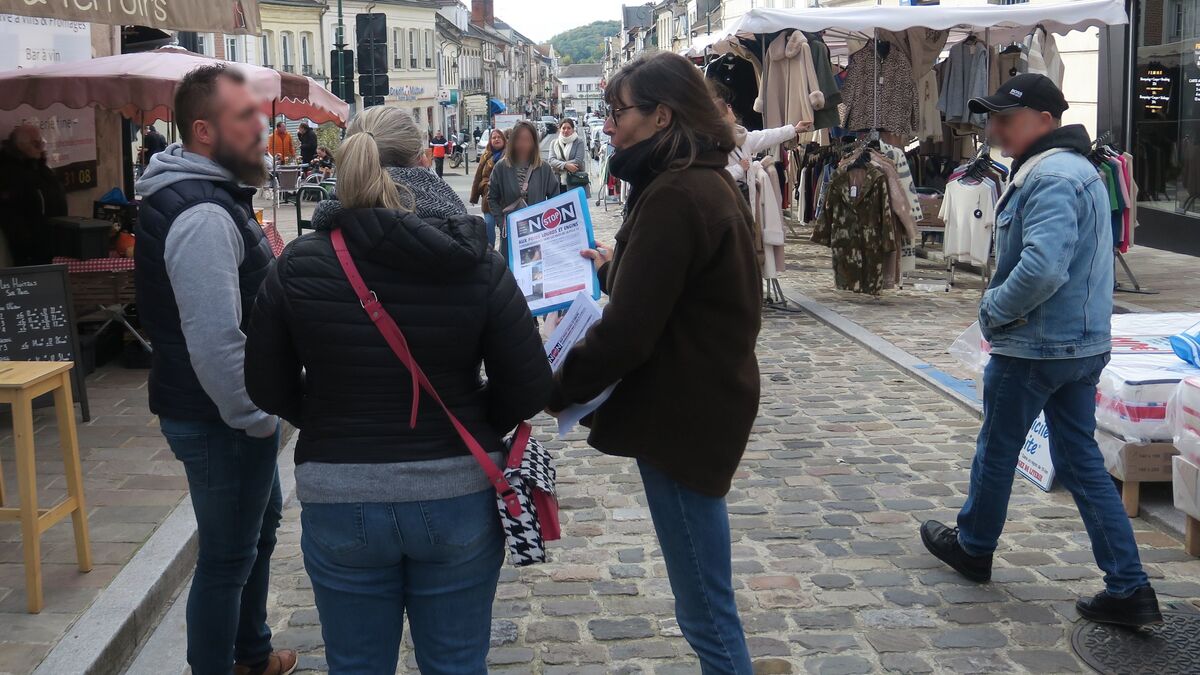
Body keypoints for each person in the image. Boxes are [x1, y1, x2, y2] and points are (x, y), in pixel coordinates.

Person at [244, 105, 552, 674]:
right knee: (457, 664)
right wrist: (476, 415)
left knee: (357, 664)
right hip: (457, 488)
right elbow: (529, 384)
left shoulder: (299, 266)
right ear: (422, 160)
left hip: (341, 489)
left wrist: (326, 415)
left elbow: (264, 383)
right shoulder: (476, 261)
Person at [920, 74, 1163, 627]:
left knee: (998, 449)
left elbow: (1044, 266)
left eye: (1007, 117)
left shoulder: (1051, 175)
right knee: (1081, 463)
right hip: (1076, 344)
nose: (995, 129)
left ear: (1046, 120)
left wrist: (991, 311)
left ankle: (974, 547)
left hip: (1036, 345)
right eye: (993, 118)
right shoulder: (1071, 170)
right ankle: (1129, 586)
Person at [547, 52, 761, 673]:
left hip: (683, 414)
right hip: (698, 404)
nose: (607, 125)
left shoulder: (676, 193)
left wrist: (555, 387)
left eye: (618, 112)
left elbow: (629, 335)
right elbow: (677, 290)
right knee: (705, 598)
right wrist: (617, 268)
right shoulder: (694, 177)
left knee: (704, 609)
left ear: (662, 114)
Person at [133, 65, 294, 675]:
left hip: (230, 414)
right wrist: (255, 418)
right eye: (245, 117)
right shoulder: (201, 213)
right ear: (204, 131)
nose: (262, 126)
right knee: (226, 559)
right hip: (219, 418)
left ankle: (250, 654)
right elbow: (215, 341)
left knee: (257, 536)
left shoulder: (215, 195)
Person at [487, 120, 558, 261]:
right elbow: (492, 197)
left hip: (537, 233)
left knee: (536, 273)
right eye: (519, 139)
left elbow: (555, 198)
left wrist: (548, 224)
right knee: (512, 272)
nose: (523, 144)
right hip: (512, 232)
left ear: (534, 142)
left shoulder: (543, 168)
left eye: (527, 140)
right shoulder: (501, 167)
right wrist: (502, 223)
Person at [713, 88, 811, 188]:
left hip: (745, 197)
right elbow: (714, 178)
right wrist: (739, 168)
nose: (730, 108)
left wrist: (794, 129)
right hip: (730, 198)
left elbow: (767, 136)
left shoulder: (741, 137)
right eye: (727, 107)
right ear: (721, 116)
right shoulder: (715, 144)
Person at [0, 124, 67, 266]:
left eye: (41, 143)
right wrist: (28, 244)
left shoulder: (41, 168)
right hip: (31, 250)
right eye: (35, 143)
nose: (40, 148)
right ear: (20, 145)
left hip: (53, 242)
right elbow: (12, 216)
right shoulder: (10, 173)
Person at [470, 128, 507, 249]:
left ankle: (504, 256)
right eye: (493, 137)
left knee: (505, 231)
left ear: (503, 139)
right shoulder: (485, 156)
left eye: (499, 137)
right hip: (488, 198)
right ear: (490, 141)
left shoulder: (509, 155)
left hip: (505, 199)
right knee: (488, 228)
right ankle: (491, 255)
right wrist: (474, 196)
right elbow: (478, 176)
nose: (496, 139)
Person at [547, 118, 590, 197]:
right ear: (560, 129)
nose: (566, 130)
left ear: (573, 129)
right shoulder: (554, 143)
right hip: (558, 183)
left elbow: (578, 161)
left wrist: (558, 166)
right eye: (563, 128)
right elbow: (551, 160)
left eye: (569, 128)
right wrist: (566, 165)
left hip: (575, 182)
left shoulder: (579, 142)